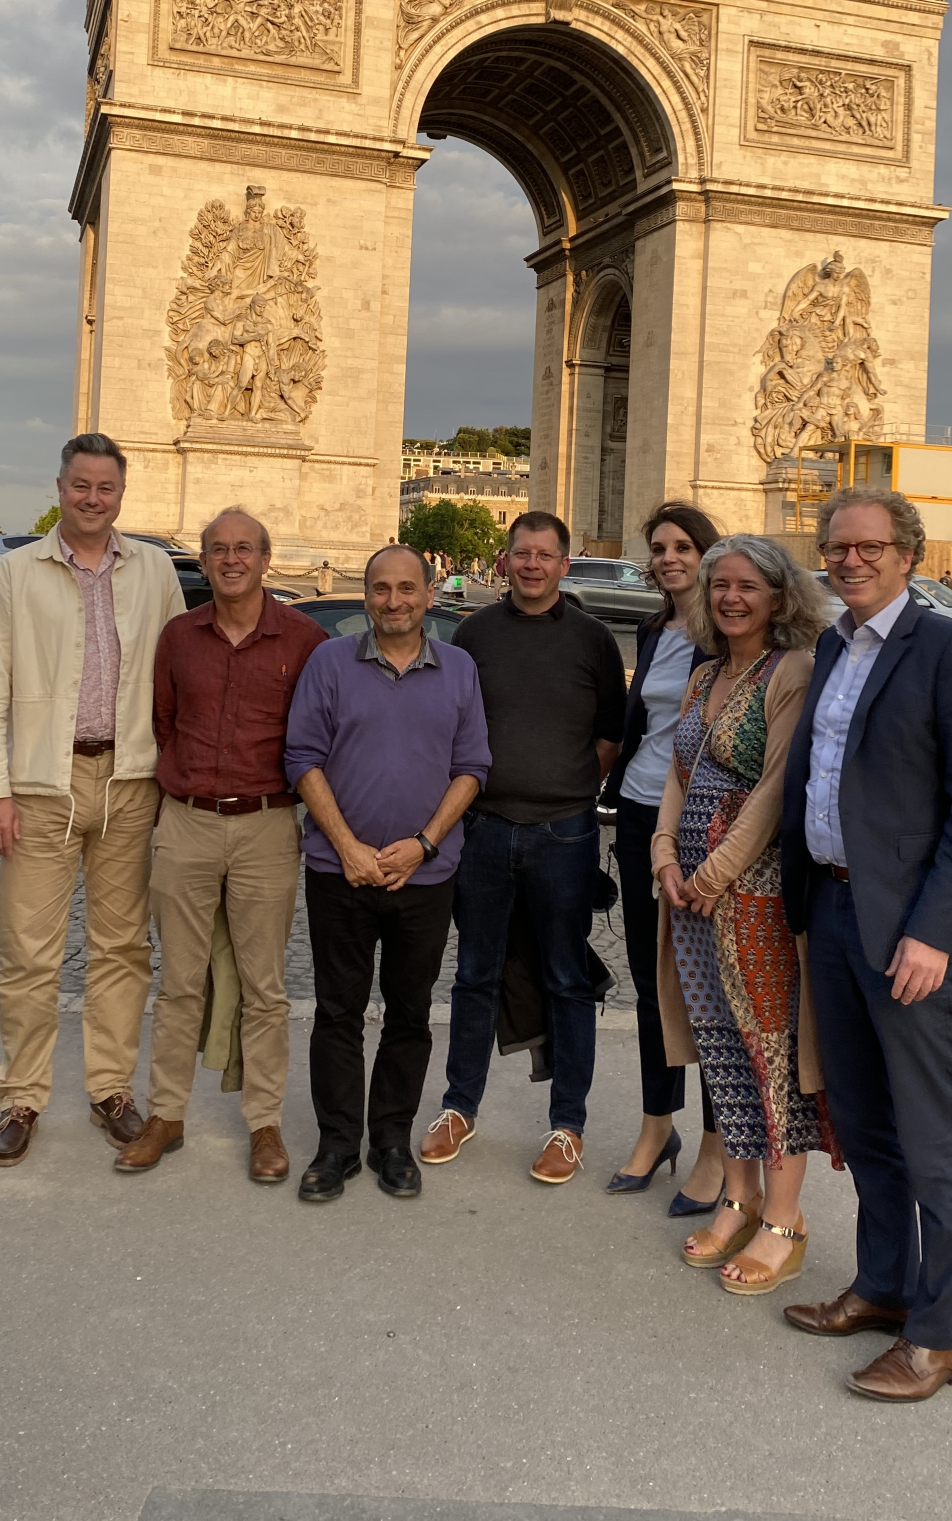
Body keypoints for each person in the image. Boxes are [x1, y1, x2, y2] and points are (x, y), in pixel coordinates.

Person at [779, 486, 952, 1402]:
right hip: (834, 915)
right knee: (865, 1123)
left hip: (910, 934)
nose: (851, 560)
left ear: (908, 555)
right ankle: (884, 1286)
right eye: (838, 547)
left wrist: (932, 934)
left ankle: (942, 1336)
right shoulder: (832, 645)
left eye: (871, 547)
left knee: (931, 1133)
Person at [0, 434, 185, 1167]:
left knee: (123, 948)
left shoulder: (156, 569)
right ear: (60, 488)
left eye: (106, 488)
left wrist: (169, 783)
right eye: (81, 486)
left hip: (131, 782)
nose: (92, 498)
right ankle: (22, 1095)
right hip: (42, 785)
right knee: (27, 952)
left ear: (121, 496)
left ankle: (110, 1088)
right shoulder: (12, 573)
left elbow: (171, 686)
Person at [115, 508, 326, 1181]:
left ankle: (264, 1124)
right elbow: (164, 721)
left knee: (264, 988)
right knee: (179, 984)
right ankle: (166, 1114)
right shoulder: (178, 638)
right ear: (203, 563)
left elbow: (318, 738)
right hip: (187, 821)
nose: (231, 559)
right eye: (218, 550)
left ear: (267, 559)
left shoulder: (307, 640)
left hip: (267, 825)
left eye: (243, 549)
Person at [420, 511, 626, 1184]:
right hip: (482, 828)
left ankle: (568, 1125)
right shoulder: (474, 634)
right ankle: (459, 1107)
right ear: (504, 562)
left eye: (545, 555)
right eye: (521, 554)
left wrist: (565, 786)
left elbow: (609, 735)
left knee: (567, 978)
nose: (532, 565)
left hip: (563, 832)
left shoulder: (594, 640)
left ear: (565, 564)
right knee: (475, 973)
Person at [652, 536, 834, 1294]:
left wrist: (713, 874)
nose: (730, 598)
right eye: (718, 585)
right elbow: (677, 772)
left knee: (771, 1052)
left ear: (778, 596)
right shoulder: (703, 674)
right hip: (691, 896)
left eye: (747, 587)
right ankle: (738, 1192)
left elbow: (777, 787)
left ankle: (785, 1218)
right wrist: (665, 856)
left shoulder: (790, 670)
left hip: (751, 894)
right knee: (721, 1046)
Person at [286, 545, 490, 1202]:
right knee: (337, 1013)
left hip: (424, 877)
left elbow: (472, 768)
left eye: (407, 589)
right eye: (381, 589)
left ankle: (392, 1141)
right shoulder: (329, 662)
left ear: (430, 594)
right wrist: (347, 846)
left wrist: (423, 845)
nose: (393, 601)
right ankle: (337, 1145)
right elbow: (302, 757)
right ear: (366, 594)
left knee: (408, 1014)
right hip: (337, 869)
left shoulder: (459, 669)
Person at [601, 502, 724, 1209]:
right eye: (659, 547)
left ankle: (715, 1143)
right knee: (651, 985)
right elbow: (639, 726)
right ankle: (656, 1127)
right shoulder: (653, 630)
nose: (670, 557)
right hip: (642, 814)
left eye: (684, 545)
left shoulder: (732, 633)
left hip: (703, 822)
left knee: (703, 989)